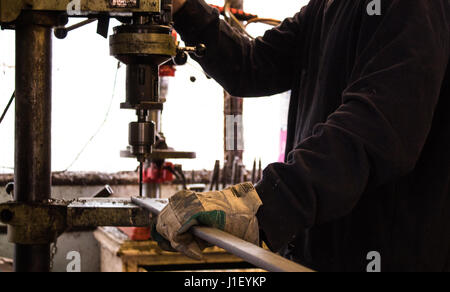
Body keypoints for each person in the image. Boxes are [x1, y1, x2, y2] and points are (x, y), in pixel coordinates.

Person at [153, 0, 450, 272]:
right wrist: (184, 8)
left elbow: (375, 128)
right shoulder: (327, 7)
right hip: (319, 254)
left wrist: (264, 203)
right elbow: (251, 65)